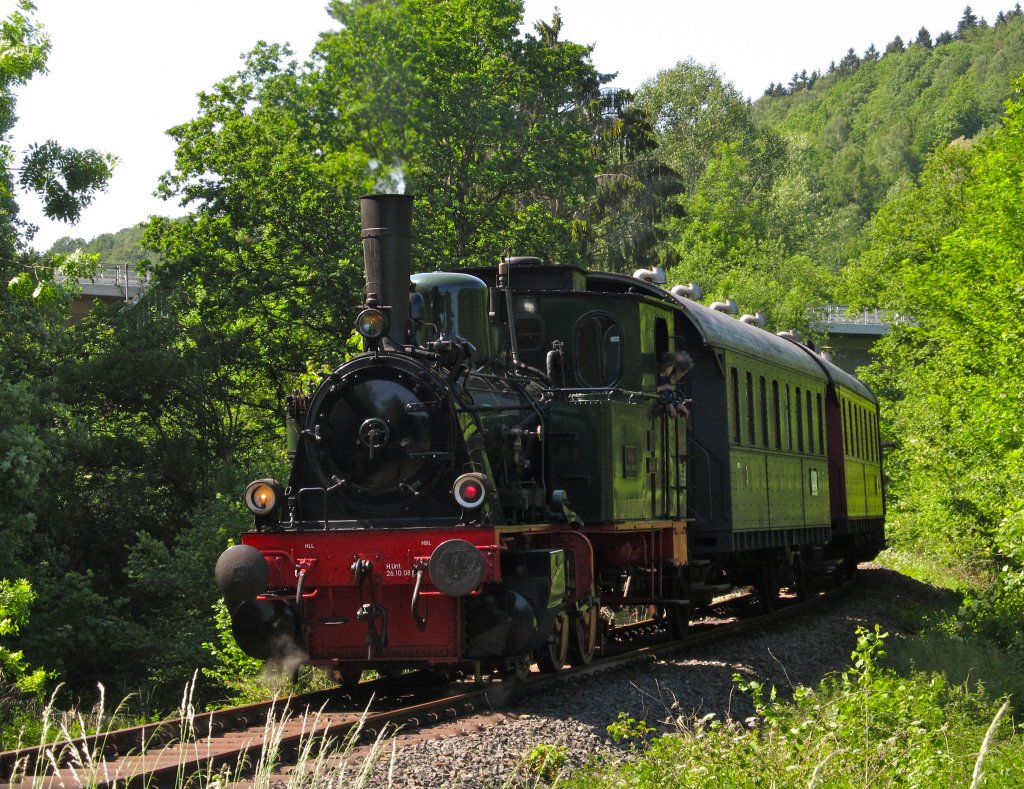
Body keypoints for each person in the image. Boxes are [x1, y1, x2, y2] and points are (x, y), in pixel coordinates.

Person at [657, 351, 694, 418]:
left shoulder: (666, 380)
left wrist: (676, 405)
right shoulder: (661, 377)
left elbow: (667, 396)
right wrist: (670, 404)